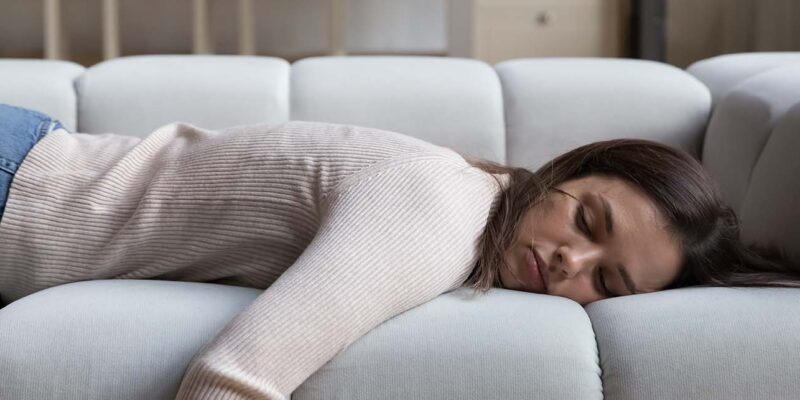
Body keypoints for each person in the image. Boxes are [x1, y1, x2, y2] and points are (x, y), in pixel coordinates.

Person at [0, 103, 797, 399]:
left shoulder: (469, 209)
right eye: (587, 222)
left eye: (610, 282)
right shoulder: (439, 208)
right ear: (566, 171)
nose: (570, 265)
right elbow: (234, 379)